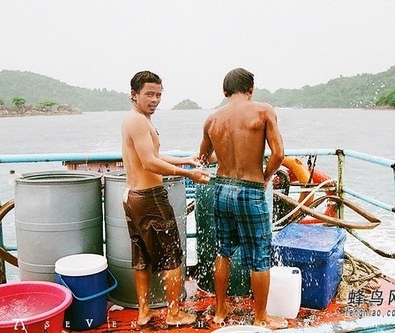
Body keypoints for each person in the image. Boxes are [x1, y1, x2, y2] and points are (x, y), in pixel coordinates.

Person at [198, 68, 286, 328]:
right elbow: (279, 154)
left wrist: (225, 157)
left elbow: (204, 159)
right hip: (250, 189)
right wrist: (266, 176)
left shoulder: (212, 120)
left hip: (222, 189)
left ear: (224, 92)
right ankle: (260, 317)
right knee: (259, 254)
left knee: (223, 252)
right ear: (251, 89)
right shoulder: (263, 110)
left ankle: (220, 310)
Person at [121, 70, 210, 326]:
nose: (155, 100)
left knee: (141, 258)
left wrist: (185, 159)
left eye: (159, 94)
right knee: (171, 255)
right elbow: (150, 163)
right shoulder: (138, 121)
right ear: (134, 94)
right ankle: (173, 313)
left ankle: (144, 311)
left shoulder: (136, 120)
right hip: (150, 198)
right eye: (149, 94)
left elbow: (152, 155)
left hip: (131, 197)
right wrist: (188, 175)